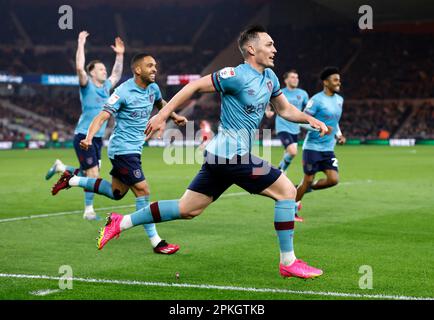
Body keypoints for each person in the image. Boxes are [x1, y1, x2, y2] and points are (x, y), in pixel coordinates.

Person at [97, 26, 329, 279]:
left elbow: (285, 110)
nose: (275, 49)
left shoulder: (270, 78)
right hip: (232, 155)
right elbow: (194, 86)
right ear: (252, 49)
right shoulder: (235, 75)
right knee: (287, 191)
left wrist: (310, 119)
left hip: (221, 158)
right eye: (269, 44)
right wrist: (163, 114)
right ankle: (288, 262)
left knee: (187, 209)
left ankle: (122, 222)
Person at [51, 53, 188, 255]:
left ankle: (71, 180)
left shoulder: (153, 88)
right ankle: (156, 242)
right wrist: (89, 137)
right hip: (123, 150)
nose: (154, 69)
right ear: (137, 70)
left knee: (117, 193)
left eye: (155, 66)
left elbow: (160, 102)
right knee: (143, 190)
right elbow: (102, 116)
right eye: (150, 66)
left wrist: (174, 115)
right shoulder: (122, 91)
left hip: (135, 149)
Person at [45, 31, 124, 221]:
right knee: (93, 173)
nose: (104, 71)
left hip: (97, 138)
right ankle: (89, 211)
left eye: (104, 69)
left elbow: (116, 74)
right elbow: (80, 67)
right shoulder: (86, 84)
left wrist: (120, 55)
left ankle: (60, 167)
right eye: (101, 69)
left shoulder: (106, 87)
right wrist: (80, 43)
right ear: (92, 72)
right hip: (83, 136)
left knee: (86, 172)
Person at [295, 67, 346, 218]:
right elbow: (302, 121)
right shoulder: (316, 100)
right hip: (312, 148)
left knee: (333, 180)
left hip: (328, 148)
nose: (338, 82)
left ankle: (306, 188)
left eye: (339, 79)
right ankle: (292, 209)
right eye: (335, 80)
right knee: (308, 178)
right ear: (326, 82)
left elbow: (335, 122)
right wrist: (319, 128)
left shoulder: (339, 100)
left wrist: (339, 135)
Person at [274, 70, 308, 173]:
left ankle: (281, 174)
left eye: (297, 77)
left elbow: (308, 110)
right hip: (282, 126)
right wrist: (268, 111)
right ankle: (279, 170)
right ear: (286, 80)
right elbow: (268, 103)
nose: (295, 79)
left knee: (288, 153)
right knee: (293, 152)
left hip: (295, 128)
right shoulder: (280, 92)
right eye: (293, 77)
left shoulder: (303, 94)